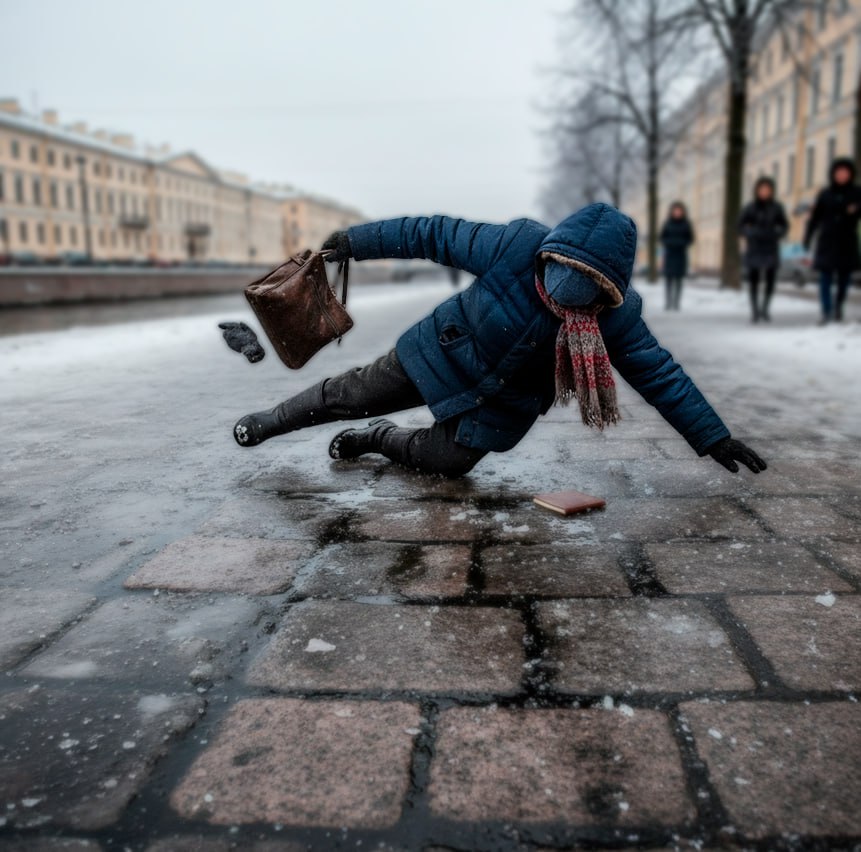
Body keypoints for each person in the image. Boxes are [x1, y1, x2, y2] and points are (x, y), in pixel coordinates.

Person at [232, 203, 766, 480]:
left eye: (587, 291)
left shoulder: (620, 319)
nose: (566, 295)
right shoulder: (515, 244)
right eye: (560, 273)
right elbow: (433, 233)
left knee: (443, 463)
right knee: (349, 395)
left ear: (610, 289)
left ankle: (378, 439)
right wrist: (357, 242)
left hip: (505, 405)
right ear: (551, 252)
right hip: (440, 353)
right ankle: (272, 420)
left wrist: (711, 436)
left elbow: (659, 374)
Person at [804, 157, 861, 324]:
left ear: (850, 174)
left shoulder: (857, 193)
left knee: (844, 278)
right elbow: (815, 218)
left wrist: (855, 210)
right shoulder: (825, 193)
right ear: (833, 174)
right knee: (825, 278)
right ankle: (826, 310)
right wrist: (808, 238)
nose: (842, 175)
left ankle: (838, 306)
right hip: (827, 241)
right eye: (839, 172)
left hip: (847, 241)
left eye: (845, 172)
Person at [738, 176, 789, 323]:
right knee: (753, 279)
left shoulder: (776, 207)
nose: (765, 192)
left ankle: (765, 309)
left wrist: (777, 233)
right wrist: (749, 233)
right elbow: (740, 225)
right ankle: (754, 310)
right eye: (762, 189)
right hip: (754, 247)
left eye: (768, 189)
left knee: (770, 279)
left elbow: (784, 225)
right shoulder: (750, 207)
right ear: (757, 191)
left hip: (771, 246)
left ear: (771, 191)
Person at [659, 202, 694, 311]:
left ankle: (676, 303)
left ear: (682, 212)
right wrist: (670, 242)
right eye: (675, 210)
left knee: (679, 280)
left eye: (679, 211)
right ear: (672, 211)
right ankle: (668, 302)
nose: (677, 213)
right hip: (669, 255)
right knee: (668, 279)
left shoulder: (686, 224)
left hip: (680, 255)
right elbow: (662, 237)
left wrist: (681, 243)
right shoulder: (668, 223)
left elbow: (690, 239)